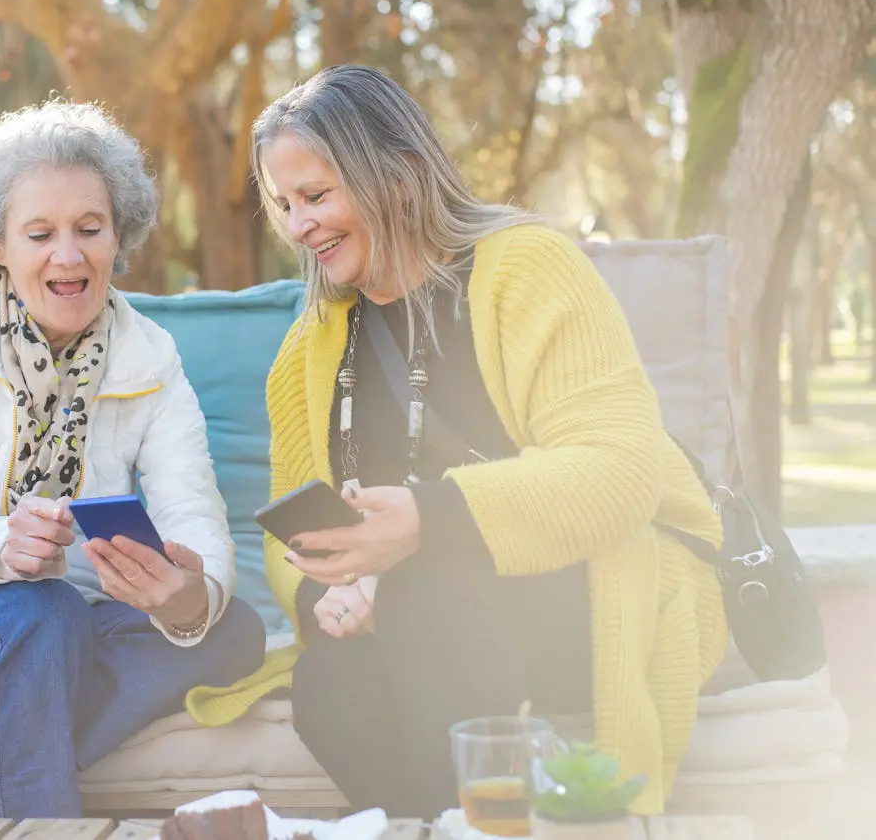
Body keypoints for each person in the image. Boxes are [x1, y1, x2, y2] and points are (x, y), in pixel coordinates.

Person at [185, 65, 728, 818]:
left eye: (315, 196)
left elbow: (618, 474)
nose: (298, 225)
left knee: (423, 589)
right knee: (325, 680)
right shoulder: (309, 349)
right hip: (417, 610)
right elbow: (293, 537)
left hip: (600, 582)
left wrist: (424, 523)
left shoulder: (527, 267)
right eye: (282, 205)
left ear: (400, 175)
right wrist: (330, 594)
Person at [0, 101, 265, 820]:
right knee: (38, 615)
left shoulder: (151, 357)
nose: (67, 256)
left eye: (88, 230)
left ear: (117, 235)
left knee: (233, 629)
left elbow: (190, 509)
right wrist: (0, 544)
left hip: (65, 616)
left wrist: (188, 593)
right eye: (39, 233)